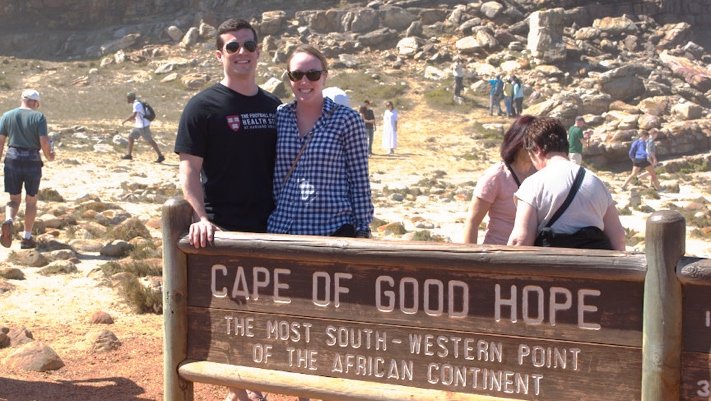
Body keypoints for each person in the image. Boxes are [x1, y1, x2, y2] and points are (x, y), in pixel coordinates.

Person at [173, 18, 280, 401]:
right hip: (224, 228)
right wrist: (201, 219)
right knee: (232, 311)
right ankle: (240, 389)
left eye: (248, 46)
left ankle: (256, 384)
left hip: (272, 228)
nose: (242, 54)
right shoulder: (202, 106)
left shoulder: (274, 106)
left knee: (266, 310)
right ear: (220, 55)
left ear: (259, 51)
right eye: (233, 47)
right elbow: (189, 171)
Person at [268, 44, 373, 243]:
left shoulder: (346, 119)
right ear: (289, 78)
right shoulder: (281, 116)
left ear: (325, 76)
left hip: (331, 231)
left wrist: (362, 230)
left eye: (313, 74)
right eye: (297, 75)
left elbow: (359, 180)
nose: (304, 81)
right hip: (281, 230)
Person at [507, 117, 625, 251]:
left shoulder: (533, 184)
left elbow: (520, 240)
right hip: (594, 268)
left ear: (537, 150)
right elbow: (619, 239)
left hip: (552, 268)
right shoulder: (596, 182)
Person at [463, 115, 537, 245]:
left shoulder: (541, 175)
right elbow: (472, 222)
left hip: (532, 257)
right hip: (499, 253)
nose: (536, 148)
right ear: (517, 142)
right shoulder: (496, 176)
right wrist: (470, 262)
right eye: (531, 142)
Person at [0, 89, 55, 249]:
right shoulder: (38, 117)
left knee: (14, 198)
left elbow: (1, 141)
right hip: (31, 160)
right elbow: (44, 141)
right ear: (35, 102)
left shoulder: (7, 116)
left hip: (12, 159)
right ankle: (26, 238)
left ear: (22, 100)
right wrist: (49, 155)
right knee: (31, 200)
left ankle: (9, 220)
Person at [121, 92, 165, 163]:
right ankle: (129, 155)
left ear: (131, 98)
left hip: (143, 126)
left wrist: (125, 121)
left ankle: (160, 156)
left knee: (149, 140)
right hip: (139, 125)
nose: (127, 100)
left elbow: (134, 115)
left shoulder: (137, 104)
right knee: (131, 137)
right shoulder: (136, 103)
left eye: (128, 98)